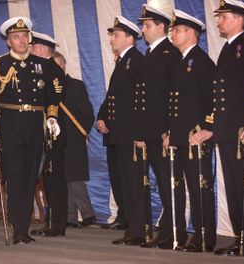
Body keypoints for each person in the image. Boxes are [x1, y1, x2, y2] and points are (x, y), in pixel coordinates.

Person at [0, 16, 60, 244]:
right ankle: (17, 227)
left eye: (25, 36)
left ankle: (23, 228)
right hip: (10, 125)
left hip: (35, 125)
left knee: (30, 178)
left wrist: (52, 117)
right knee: (15, 178)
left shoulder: (43, 64)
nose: (21, 40)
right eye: (16, 37)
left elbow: (53, 94)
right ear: (8, 41)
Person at [193, 0, 244, 256]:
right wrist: (212, 129)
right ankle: (241, 235)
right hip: (228, 131)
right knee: (232, 185)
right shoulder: (228, 50)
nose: (218, 21)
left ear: (240, 19)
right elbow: (220, 98)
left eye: (224, 17)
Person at [166, 10, 217, 252]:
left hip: (196, 136)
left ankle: (204, 237)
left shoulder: (201, 61)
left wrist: (208, 128)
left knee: (200, 188)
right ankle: (193, 235)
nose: (172, 34)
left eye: (176, 30)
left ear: (190, 33)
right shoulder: (181, 62)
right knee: (184, 188)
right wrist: (170, 133)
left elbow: (214, 99)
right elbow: (175, 104)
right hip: (181, 137)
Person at [135, 4, 184, 249]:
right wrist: (143, 132)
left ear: (161, 27)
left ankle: (174, 232)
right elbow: (145, 98)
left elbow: (174, 96)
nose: (143, 30)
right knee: (163, 183)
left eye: (147, 25)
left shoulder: (170, 53)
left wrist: (171, 130)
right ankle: (166, 230)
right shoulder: (152, 53)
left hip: (164, 131)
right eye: (143, 25)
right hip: (152, 131)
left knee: (169, 182)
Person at [96, 16, 145, 246]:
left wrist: (139, 132)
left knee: (133, 182)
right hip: (117, 133)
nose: (111, 39)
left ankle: (137, 231)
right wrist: (103, 117)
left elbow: (140, 101)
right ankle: (130, 226)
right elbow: (113, 96)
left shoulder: (135, 60)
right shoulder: (122, 62)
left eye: (116, 35)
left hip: (129, 133)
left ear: (130, 37)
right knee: (123, 181)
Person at [29, 31, 67, 237]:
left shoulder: (53, 71)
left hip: (54, 132)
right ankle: (51, 221)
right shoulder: (40, 69)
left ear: (43, 49)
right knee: (47, 179)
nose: (31, 50)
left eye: (33, 47)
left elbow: (54, 100)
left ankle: (57, 224)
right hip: (42, 132)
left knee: (55, 180)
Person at [53, 51, 96, 228]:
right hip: (57, 139)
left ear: (63, 66)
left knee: (75, 178)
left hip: (73, 139)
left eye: (56, 66)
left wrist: (81, 132)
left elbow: (87, 113)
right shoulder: (49, 89)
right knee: (64, 179)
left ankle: (88, 214)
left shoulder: (75, 85)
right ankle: (70, 216)